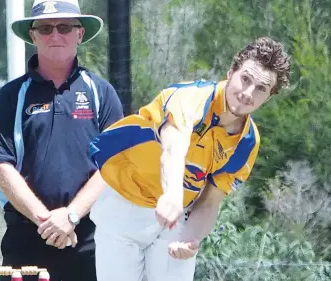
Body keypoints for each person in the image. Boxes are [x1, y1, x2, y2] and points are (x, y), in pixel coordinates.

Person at [88, 37, 291, 281]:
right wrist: (172, 194)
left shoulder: (248, 142)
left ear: (268, 97)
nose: (248, 93)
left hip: (175, 218)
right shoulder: (191, 98)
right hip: (125, 203)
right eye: (245, 79)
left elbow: (209, 202)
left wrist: (192, 238)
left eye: (261, 88)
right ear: (230, 72)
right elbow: (173, 149)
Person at [0, 0, 123, 280]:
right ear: (33, 35)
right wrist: (46, 222)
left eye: (64, 27)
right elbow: (0, 166)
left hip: (92, 245)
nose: (55, 35)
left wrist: (70, 216)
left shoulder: (102, 93)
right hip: (25, 243)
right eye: (45, 28)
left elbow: (115, 163)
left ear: (79, 34)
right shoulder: (11, 95)